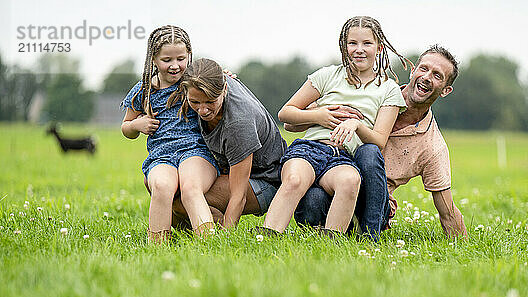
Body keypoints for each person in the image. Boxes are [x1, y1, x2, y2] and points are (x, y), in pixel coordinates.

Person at [293, 45, 467, 239]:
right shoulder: (375, 92)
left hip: (372, 205)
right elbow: (292, 125)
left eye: (437, 75)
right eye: (424, 68)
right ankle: (331, 233)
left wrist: (466, 252)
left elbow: (447, 212)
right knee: (312, 200)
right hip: (333, 185)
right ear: (413, 71)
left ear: (445, 90)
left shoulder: (432, 147)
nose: (427, 77)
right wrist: (322, 115)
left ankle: (369, 236)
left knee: (368, 151)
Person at [260, 16, 409, 236]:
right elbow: (286, 113)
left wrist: (356, 124)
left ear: (379, 47)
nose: (359, 49)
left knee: (350, 180)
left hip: (343, 156)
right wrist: (319, 115)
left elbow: (379, 141)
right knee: (294, 180)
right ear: (344, 46)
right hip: (309, 148)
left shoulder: (388, 89)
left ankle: (333, 240)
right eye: (352, 43)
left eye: (367, 43)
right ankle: (268, 235)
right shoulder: (327, 75)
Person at [121, 25, 220, 244]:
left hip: (195, 152)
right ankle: (158, 246)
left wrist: (224, 78)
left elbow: (218, 87)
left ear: (189, 56)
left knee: (191, 186)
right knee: (162, 186)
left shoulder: (194, 83)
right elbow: (126, 127)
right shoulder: (143, 90)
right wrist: (138, 124)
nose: (175, 66)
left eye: (181, 59)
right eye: (167, 60)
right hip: (161, 156)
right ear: (154, 59)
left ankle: (210, 243)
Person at [174, 58, 287, 229]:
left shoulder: (239, 123)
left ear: (224, 89)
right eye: (195, 102)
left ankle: (217, 232)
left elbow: (238, 195)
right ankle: (186, 236)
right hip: (229, 171)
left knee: (184, 196)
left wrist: (227, 240)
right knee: (169, 186)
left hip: (265, 181)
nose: (203, 110)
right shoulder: (208, 79)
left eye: (210, 101)